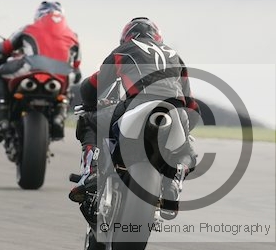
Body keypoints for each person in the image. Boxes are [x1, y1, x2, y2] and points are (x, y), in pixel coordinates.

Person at [68, 17, 200, 221]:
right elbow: (191, 104)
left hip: (138, 104)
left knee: (88, 121)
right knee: (186, 148)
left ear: (126, 37)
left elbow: (93, 85)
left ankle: (91, 172)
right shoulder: (175, 56)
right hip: (176, 111)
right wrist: (185, 129)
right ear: (158, 37)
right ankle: (173, 181)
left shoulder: (124, 50)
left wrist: (90, 105)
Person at [0, 1, 81, 143]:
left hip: (30, 69)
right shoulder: (73, 35)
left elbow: (4, 47)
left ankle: (2, 118)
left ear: (39, 15)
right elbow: (77, 66)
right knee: (69, 86)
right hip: (62, 76)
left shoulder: (27, 29)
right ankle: (59, 116)